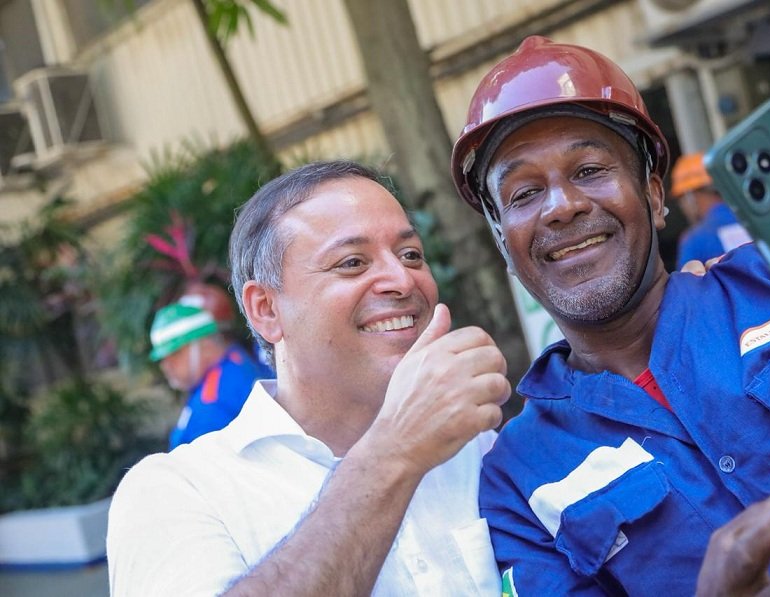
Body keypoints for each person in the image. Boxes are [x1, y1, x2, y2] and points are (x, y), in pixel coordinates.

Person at [450, 36, 770, 596]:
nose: (562, 206)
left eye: (588, 169)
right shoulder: (517, 484)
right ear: (504, 245)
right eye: (523, 194)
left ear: (656, 196)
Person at [107, 160, 509, 595]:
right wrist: (394, 452)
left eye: (411, 254)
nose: (402, 280)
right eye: (352, 262)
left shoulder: (481, 447)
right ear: (266, 309)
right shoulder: (178, 491)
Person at [148, 301, 272, 450]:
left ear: (206, 346)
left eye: (175, 353)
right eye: (162, 359)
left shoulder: (213, 399)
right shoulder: (234, 360)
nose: (165, 365)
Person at [668, 152, 750, 268]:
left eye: (681, 200)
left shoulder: (694, 240)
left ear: (690, 197)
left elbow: (687, 279)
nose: (682, 207)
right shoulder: (753, 219)